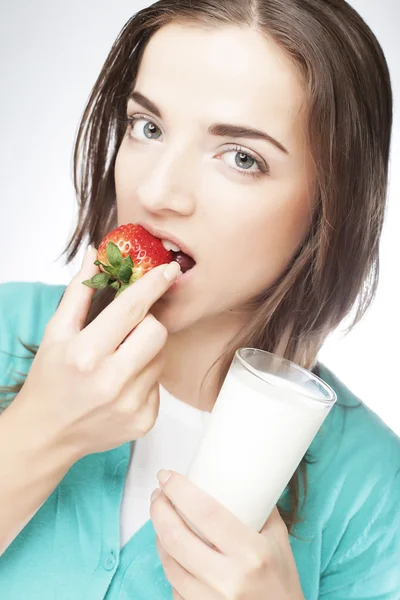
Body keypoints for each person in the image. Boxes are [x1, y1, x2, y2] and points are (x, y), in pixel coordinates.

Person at [0, 0, 399, 598]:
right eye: (148, 127)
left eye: (242, 158)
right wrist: (39, 433)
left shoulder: (373, 491)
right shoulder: (8, 329)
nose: (157, 191)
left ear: (330, 206)